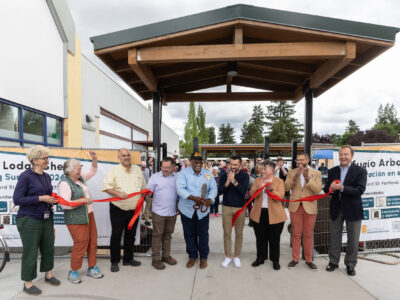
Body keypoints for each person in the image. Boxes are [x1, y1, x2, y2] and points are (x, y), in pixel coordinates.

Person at [13, 146, 60, 295]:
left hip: (46, 218)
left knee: (48, 247)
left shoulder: (46, 176)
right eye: (45, 158)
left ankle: (49, 274)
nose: (48, 161)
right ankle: (27, 284)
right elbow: (17, 199)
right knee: (31, 251)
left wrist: (52, 200)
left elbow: (46, 196)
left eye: (48, 158)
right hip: (29, 219)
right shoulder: (25, 176)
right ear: (35, 160)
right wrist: (41, 198)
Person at [58, 151, 103, 283]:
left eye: (80, 168)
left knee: (93, 242)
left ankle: (92, 267)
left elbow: (93, 171)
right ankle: (74, 271)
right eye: (78, 168)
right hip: (75, 219)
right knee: (81, 244)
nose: (80, 170)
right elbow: (65, 205)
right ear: (70, 171)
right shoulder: (64, 184)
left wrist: (94, 159)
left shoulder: (80, 178)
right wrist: (83, 200)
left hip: (89, 215)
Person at [324, 145, 367, 276]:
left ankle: (350, 264)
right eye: (341, 154)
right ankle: (333, 261)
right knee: (335, 236)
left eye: (346, 154)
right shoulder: (332, 171)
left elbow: (360, 189)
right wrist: (330, 188)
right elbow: (326, 189)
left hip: (353, 209)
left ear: (352, 156)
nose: (343, 157)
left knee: (353, 239)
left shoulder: (360, 171)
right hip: (336, 208)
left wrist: (342, 188)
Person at [102, 148, 147, 272]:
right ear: (119, 157)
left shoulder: (138, 170)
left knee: (131, 235)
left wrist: (141, 203)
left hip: (134, 210)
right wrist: (117, 193)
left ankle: (128, 259)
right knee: (116, 236)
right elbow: (106, 187)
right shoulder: (113, 171)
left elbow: (143, 188)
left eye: (128, 155)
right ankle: (114, 261)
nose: (126, 157)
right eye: (123, 155)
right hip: (118, 209)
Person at [176, 152, 218, 269]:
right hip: (187, 210)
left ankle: (203, 257)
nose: (198, 164)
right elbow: (180, 189)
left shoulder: (208, 174)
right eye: (195, 162)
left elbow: (213, 188)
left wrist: (210, 199)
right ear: (191, 162)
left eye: (200, 162)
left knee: (203, 234)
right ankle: (192, 256)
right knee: (189, 234)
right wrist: (193, 198)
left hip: (203, 211)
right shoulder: (183, 174)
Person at [284, 152, 322, 270]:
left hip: (310, 207)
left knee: (308, 234)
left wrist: (306, 178)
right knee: (296, 234)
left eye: (301, 160)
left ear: (308, 160)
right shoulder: (291, 172)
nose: (299, 162)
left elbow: (317, 189)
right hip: (295, 206)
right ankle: (295, 259)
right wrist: (295, 177)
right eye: (297, 160)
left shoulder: (316, 173)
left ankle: (308, 259)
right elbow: (286, 188)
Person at [249, 160, 287, 270]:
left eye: (264, 168)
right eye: (262, 168)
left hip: (275, 214)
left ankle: (275, 260)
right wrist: (258, 188)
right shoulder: (257, 181)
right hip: (259, 212)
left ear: (271, 170)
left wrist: (271, 189)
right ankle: (261, 258)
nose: (262, 170)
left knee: (274, 239)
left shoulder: (279, 181)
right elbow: (251, 195)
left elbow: (280, 197)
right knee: (260, 237)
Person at [146, 157, 178, 270]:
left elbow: (179, 193)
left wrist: (179, 207)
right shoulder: (154, 177)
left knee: (168, 235)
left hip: (172, 212)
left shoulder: (177, 178)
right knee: (157, 235)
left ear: (173, 167)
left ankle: (166, 256)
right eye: (163, 167)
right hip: (158, 212)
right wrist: (147, 192)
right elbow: (148, 190)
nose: (165, 169)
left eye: (167, 167)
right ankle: (156, 259)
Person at [219, 156, 249, 268]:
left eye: (235, 164)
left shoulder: (245, 176)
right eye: (231, 164)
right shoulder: (223, 176)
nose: (233, 166)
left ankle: (236, 256)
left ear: (240, 165)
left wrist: (234, 181)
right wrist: (227, 182)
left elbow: (243, 191)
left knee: (239, 233)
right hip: (226, 207)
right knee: (227, 233)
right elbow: (219, 191)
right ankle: (227, 256)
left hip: (240, 208)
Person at [143, 157, 154, 226]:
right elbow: (145, 180)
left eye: (152, 161)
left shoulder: (155, 170)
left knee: (152, 206)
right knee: (147, 205)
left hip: (154, 191)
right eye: (150, 161)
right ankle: (147, 220)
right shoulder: (147, 170)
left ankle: (150, 218)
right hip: (148, 190)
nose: (151, 162)